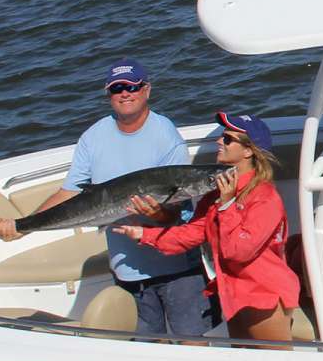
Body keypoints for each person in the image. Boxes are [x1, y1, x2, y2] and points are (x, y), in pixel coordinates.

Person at [0, 58, 208, 338]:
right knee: (145, 350)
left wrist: (157, 215)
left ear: (147, 90)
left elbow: (178, 217)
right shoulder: (93, 138)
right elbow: (69, 192)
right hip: (127, 270)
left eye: (133, 86)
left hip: (176, 268)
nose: (125, 93)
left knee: (193, 341)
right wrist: (23, 226)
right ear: (108, 94)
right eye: (117, 88)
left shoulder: (166, 136)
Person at [117, 112, 301, 348]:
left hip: (262, 296)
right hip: (233, 294)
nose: (219, 141)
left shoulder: (264, 197)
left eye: (227, 139)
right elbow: (191, 233)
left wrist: (226, 206)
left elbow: (239, 251)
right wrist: (143, 234)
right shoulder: (216, 195)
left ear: (248, 151)